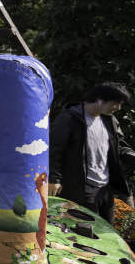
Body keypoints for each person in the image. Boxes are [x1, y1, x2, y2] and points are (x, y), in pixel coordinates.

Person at [49, 82, 135, 223]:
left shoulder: (110, 120)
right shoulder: (70, 118)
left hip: (105, 189)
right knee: (85, 233)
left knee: (108, 233)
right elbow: (55, 149)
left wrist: (131, 155)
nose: (118, 108)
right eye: (116, 103)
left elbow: (118, 147)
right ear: (100, 99)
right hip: (82, 189)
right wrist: (54, 179)